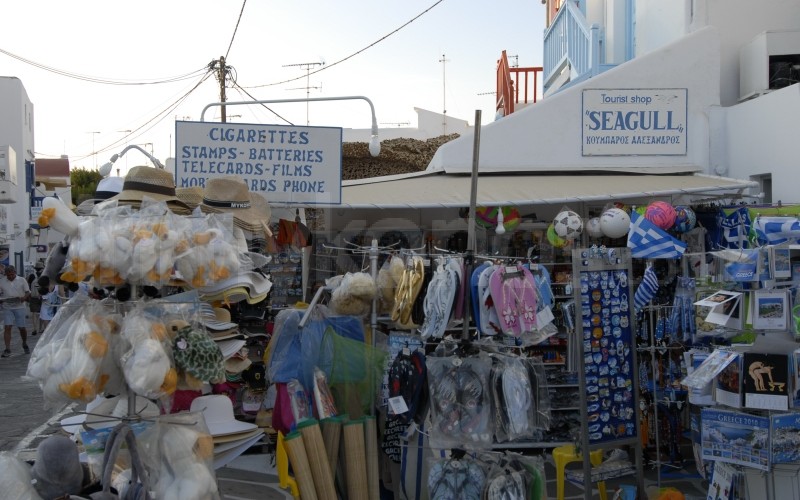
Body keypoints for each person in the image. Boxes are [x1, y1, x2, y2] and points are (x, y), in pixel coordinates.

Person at [0, 266, 31, 357]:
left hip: (19, 306)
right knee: (7, 327)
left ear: (15, 272)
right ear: (5, 274)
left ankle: (24, 343)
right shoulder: (2, 281)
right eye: (8, 275)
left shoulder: (22, 280)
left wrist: (24, 298)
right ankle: (7, 349)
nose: (10, 276)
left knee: (21, 328)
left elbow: (28, 292)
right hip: (7, 306)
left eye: (12, 274)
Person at [27, 262, 44, 335]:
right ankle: (40, 328)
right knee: (42, 313)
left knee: (34, 313)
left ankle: (35, 328)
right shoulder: (44, 275)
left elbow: (28, 286)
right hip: (41, 296)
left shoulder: (31, 275)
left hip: (33, 296)